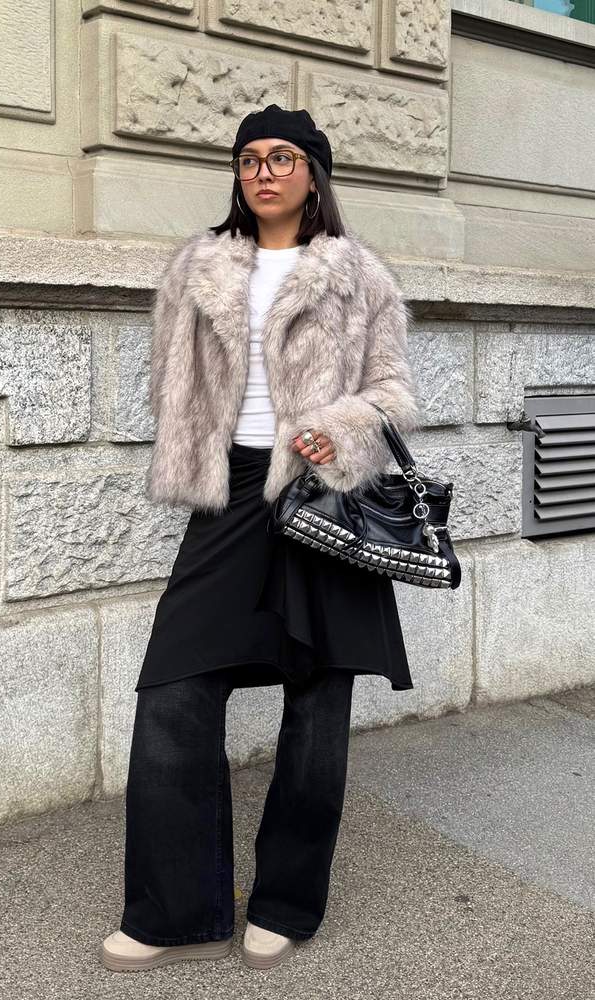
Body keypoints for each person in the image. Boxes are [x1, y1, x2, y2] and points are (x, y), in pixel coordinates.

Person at [100, 103, 422, 973]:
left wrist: (338, 430)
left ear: (313, 174)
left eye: (282, 158)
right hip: (229, 495)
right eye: (249, 159)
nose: (263, 172)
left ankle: (285, 903)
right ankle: (173, 909)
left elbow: (393, 393)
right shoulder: (198, 267)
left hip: (320, 496)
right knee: (174, 689)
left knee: (316, 702)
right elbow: (173, 382)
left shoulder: (357, 274)